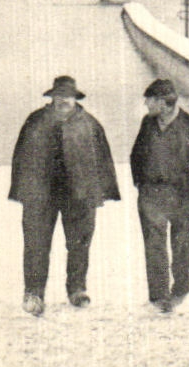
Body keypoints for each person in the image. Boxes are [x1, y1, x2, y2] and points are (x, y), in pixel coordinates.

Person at [8, 76, 120, 315]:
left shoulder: (89, 124)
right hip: (41, 194)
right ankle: (34, 292)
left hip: (79, 195)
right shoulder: (35, 121)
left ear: (75, 98)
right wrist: (22, 190)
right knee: (36, 244)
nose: (62, 101)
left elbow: (104, 161)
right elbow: (20, 156)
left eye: (67, 96)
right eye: (58, 96)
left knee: (79, 244)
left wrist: (101, 192)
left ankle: (77, 289)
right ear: (51, 98)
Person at [129, 78, 189, 314]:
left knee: (181, 243)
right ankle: (159, 295)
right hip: (152, 193)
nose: (146, 104)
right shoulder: (147, 124)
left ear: (164, 103)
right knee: (154, 244)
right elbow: (136, 154)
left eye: (150, 100)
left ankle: (181, 288)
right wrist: (141, 184)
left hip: (182, 194)